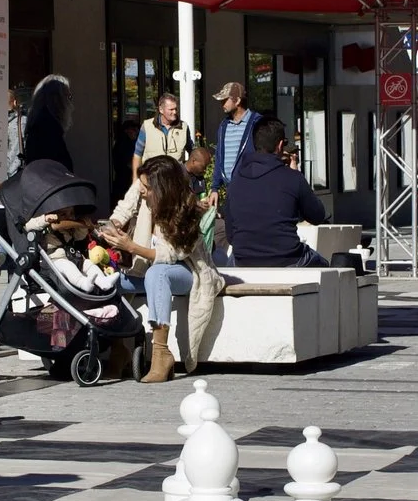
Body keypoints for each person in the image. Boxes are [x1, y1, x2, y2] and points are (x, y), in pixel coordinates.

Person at [102, 154, 209, 383]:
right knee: (109, 280)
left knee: (157, 273)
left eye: (146, 187)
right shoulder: (143, 188)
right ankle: (118, 348)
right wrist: (113, 228)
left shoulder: (186, 210)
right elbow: (123, 210)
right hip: (147, 270)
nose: (141, 190)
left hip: (187, 272)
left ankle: (161, 352)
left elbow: (171, 256)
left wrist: (131, 246)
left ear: (163, 188)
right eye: (140, 184)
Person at [221, 115, 327, 269]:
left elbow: (231, 235)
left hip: (244, 261)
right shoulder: (292, 178)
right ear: (279, 145)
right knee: (324, 264)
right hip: (287, 259)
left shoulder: (235, 182)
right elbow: (318, 215)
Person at [210, 80, 257, 190]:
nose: (222, 103)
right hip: (230, 189)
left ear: (237, 101)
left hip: (251, 187)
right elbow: (219, 157)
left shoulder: (256, 123)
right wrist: (215, 188)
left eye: (225, 100)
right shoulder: (224, 125)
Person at [19, 74, 73, 171]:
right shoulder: (49, 129)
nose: (71, 104)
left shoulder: (37, 125)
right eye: (69, 96)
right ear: (58, 99)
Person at [132, 92, 190, 181]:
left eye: (176, 109)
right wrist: (135, 179)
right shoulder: (147, 126)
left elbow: (192, 151)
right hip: (151, 181)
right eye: (171, 109)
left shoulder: (184, 127)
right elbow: (137, 155)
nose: (175, 112)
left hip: (175, 181)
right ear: (161, 110)